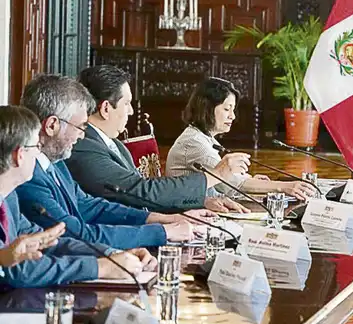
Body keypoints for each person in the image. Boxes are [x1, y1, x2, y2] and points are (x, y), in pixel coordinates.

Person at [16, 75, 196, 249]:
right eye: (80, 127)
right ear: (52, 126)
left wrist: (161, 219)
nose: (82, 135)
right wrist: (161, 232)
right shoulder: (29, 176)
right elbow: (77, 234)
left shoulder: (56, 163)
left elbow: (90, 206)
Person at [0, 106, 154, 288]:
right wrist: (100, 267)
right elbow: (15, 271)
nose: (39, 153)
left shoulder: (9, 199)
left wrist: (111, 254)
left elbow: (48, 243)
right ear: (20, 156)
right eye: (37, 147)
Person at [66, 65, 251, 213]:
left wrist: (200, 202)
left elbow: (146, 196)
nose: (131, 111)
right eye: (127, 103)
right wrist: (216, 174)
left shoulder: (114, 144)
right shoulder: (83, 146)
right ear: (106, 108)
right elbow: (141, 191)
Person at [165, 78, 314, 201]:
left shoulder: (202, 137)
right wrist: (286, 187)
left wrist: (253, 179)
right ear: (207, 108)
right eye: (226, 109)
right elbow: (234, 185)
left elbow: (230, 178)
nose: (232, 116)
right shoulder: (195, 143)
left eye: (233, 109)